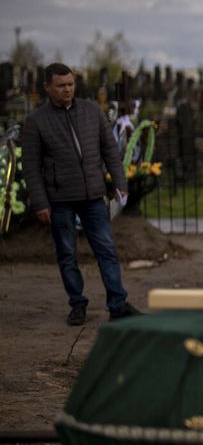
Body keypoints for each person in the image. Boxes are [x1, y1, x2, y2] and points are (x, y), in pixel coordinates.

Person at [22, 63, 142, 325]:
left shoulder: (91, 111)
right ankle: (77, 304)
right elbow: (30, 166)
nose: (67, 89)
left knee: (107, 250)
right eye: (61, 85)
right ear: (47, 88)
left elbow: (110, 150)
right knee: (66, 254)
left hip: (93, 196)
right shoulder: (36, 122)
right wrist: (40, 202)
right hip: (59, 200)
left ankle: (118, 305)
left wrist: (120, 183)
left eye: (71, 84)